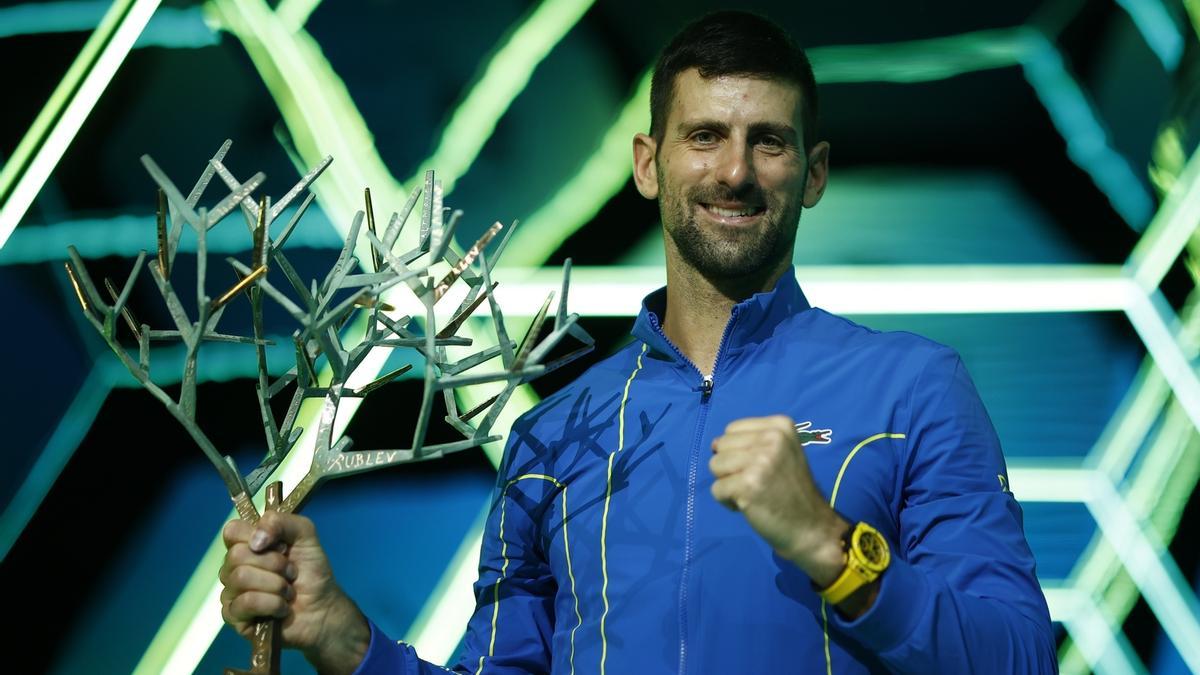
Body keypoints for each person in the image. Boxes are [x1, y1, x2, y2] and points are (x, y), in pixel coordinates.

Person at [220, 10, 1057, 674]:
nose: (735, 171)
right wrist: (341, 636)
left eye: (768, 140)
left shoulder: (912, 389)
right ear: (648, 163)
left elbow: (1020, 659)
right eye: (705, 137)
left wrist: (833, 549)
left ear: (815, 172)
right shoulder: (554, 436)